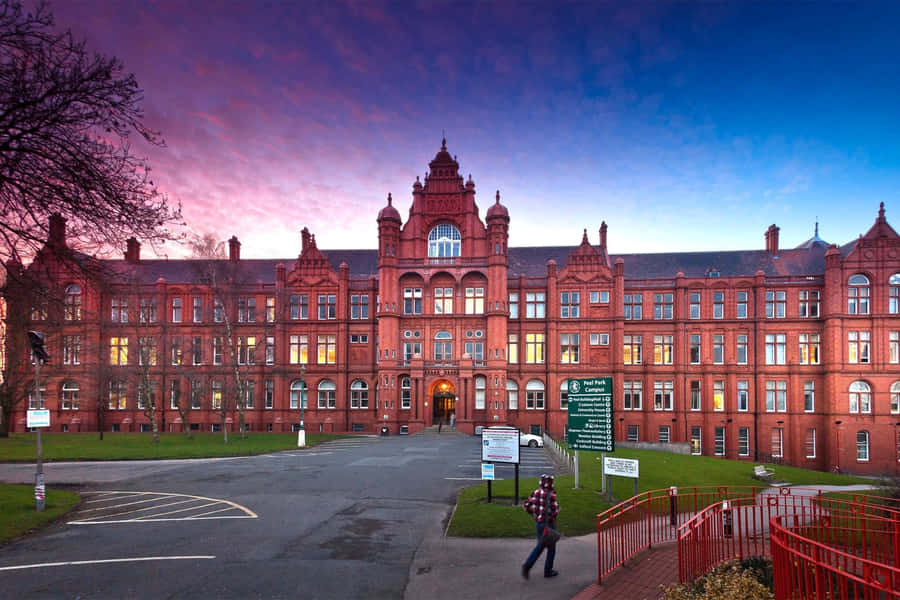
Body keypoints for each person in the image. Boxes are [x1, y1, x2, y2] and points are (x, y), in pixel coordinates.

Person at [521, 473, 560, 579]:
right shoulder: (552, 495)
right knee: (551, 548)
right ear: (551, 483)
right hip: (549, 525)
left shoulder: (536, 492)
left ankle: (528, 566)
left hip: (539, 524)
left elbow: (526, 505)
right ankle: (547, 571)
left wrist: (535, 514)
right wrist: (556, 511)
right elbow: (555, 512)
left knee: (540, 546)